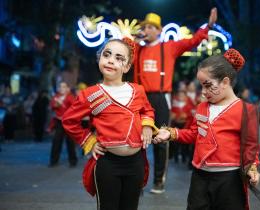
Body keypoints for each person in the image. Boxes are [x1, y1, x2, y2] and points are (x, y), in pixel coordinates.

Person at [154, 49, 260, 210]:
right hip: (200, 176)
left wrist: (252, 169)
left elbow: (250, 146)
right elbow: (193, 133)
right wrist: (170, 133)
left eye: (208, 85)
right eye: (201, 86)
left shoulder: (247, 110)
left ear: (225, 82)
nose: (203, 92)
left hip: (230, 179)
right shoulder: (202, 108)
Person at [62, 38, 158, 210]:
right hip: (107, 164)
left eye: (119, 58)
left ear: (127, 67)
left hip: (136, 163)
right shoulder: (89, 95)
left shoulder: (138, 90)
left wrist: (146, 125)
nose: (111, 60)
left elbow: (147, 110)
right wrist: (89, 141)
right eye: (107, 55)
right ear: (99, 59)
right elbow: (69, 121)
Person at [133, 7, 218, 194]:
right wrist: (134, 39)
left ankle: (158, 181)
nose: (146, 30)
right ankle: (137, 182)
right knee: (137, 141)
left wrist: (209, 26)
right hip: (140, 97)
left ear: (159, 30)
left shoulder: (169, 47)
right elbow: (120, 49)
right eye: (145, 27)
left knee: (161, 139)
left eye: (150, 27)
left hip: (161, 97)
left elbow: (193, 41)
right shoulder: (137, 48)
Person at [49, 82, 77, 167]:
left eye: (63, 87)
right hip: (59, 122)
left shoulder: (70, 97)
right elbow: (52, 106)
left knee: (70, 143)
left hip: (68, 122)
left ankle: (73, 161)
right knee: (56, 141)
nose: (61, 88)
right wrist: (57, 104)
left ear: (67, 88)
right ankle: (53, 161)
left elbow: (74, 107)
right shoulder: (56, 97)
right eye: (60, 87)